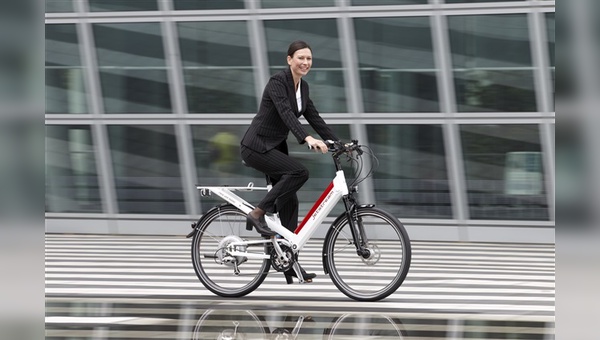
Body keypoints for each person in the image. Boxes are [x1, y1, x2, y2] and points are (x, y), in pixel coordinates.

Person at [240, 40, 338, 283]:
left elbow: (314, 117)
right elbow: (285, 112)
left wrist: (338, 143)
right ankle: (257, 213)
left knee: (290, 201)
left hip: (274, 147)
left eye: (309, 59)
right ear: (289, 60)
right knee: (299, 173)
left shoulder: (302, 88)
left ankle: (288, 262)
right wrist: (306, 138)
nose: (305, 63)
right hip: (256, 146)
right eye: (300, 58)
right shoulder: (277, 82)